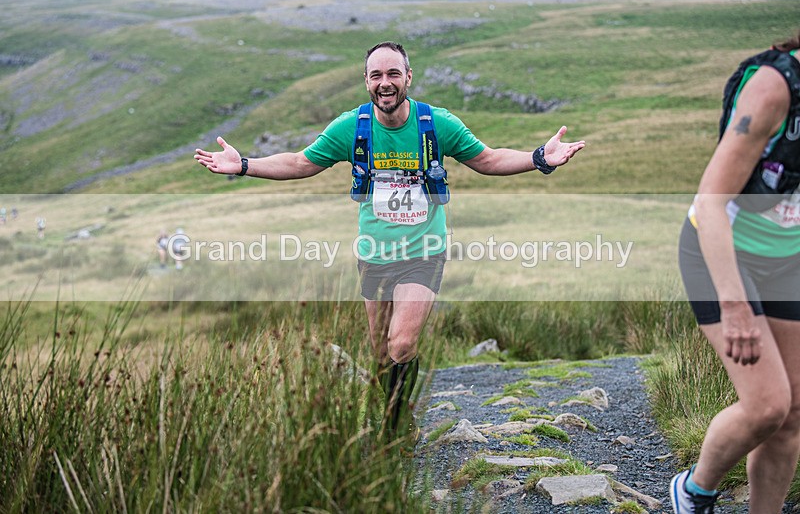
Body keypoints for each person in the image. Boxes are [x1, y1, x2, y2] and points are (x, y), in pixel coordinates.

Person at [194, 41, 585, 440]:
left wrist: (539, 158)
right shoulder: (352, 127)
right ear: (366, 81)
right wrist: (243, 165)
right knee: (382, 354)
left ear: (408, 78)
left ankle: (395, 432)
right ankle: (400, 415)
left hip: (423, 251)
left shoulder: (437, 124)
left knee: (401, 343)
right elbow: (300, 163)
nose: (385, 83)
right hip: (374, 254)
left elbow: (487, 159)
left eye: (393, 74)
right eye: (377, 75)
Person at [675, 30, 800, 513]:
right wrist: (736, 305)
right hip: (722, 251)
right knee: (767, 405)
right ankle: (695, 491)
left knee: (792, 416)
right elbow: (710, 206)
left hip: (789, 256)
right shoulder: (774, 88)